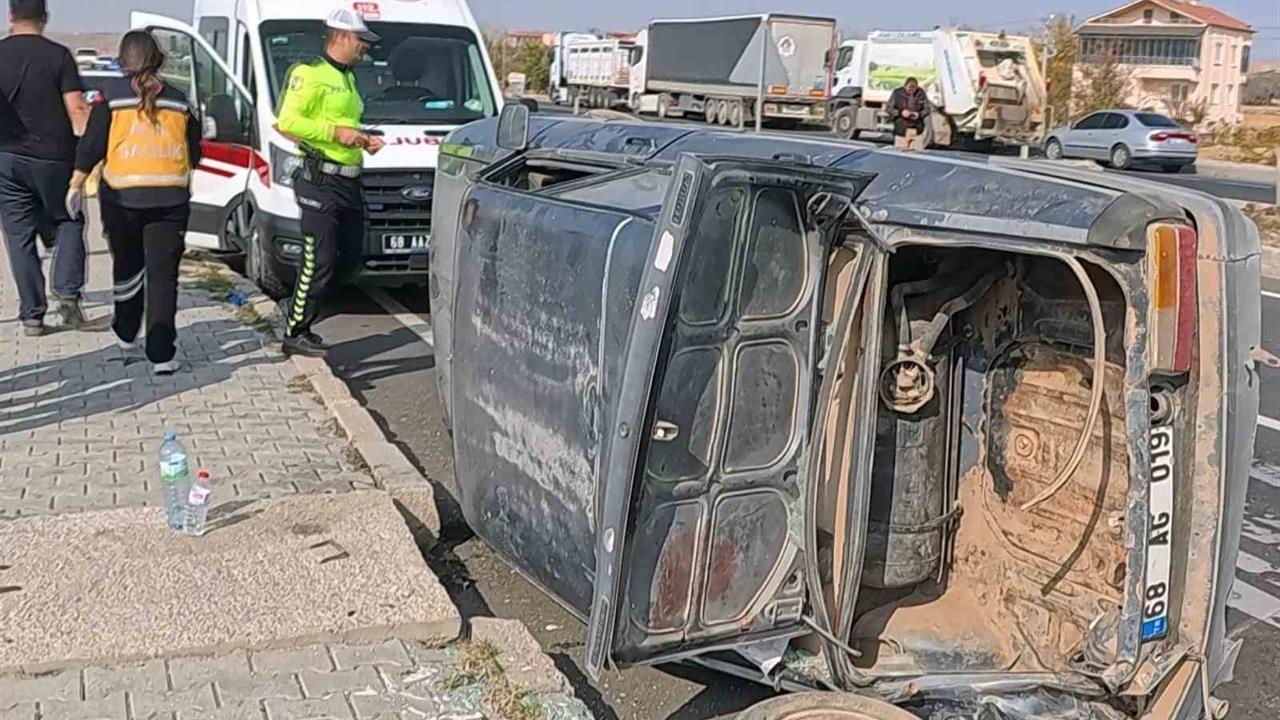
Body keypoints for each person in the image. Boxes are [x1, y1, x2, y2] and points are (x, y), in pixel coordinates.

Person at [67, 30, 202, 375]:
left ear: (123, 62)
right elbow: (195, 153)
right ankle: (162, 356)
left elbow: (92, 146)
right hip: (170, 200)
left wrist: (77, 183)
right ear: (158, 60)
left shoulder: (110, 100)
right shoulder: (180, 101)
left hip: (122, 200)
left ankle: (127, 335)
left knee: (127, 267)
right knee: (163, 276)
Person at [273, 6, 384, 358]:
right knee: (318, 258)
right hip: (320, 180)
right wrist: (336, 132)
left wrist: (365, 140)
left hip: (350, 180)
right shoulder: (309, 73)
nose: (365, 47)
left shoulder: (348, 77)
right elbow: (287, 121)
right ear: (343, 37)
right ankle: (295, 330)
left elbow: (346, 129)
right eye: (362, 40)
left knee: (349, 256)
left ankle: (296, 307)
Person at [0, 0, 90, 337]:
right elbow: (77, 108)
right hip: (55, 158)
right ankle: (67, 295)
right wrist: (89, 154)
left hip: (7, 158)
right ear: (45, 18)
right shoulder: (59, 56)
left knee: (18, 237)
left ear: (10, 15)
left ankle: (32, 316)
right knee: (70, 218)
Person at [889, 77, 930, 152]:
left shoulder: (921, 93)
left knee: (916, 155)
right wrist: (901, 112)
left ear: (917, 87)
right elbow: (889, 109)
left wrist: (918, 114)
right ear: (905, 86)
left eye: (913, 89)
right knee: (900, 155)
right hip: (901, 130)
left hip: (917, 130)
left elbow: (927, 109)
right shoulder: (897, 93)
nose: (911, 91)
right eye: (909, 88)